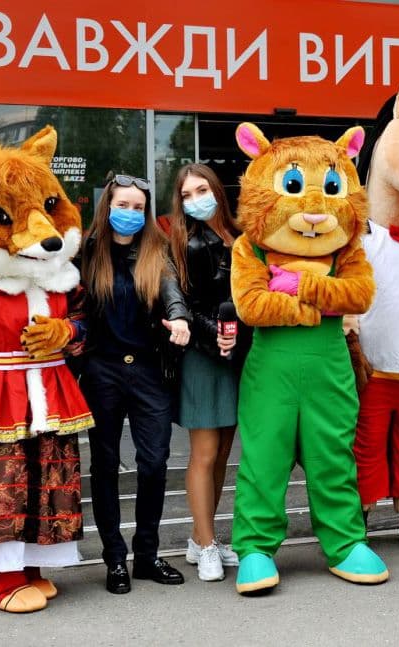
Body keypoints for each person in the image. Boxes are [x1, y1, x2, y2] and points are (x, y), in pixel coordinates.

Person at [80, 173, 193, 594]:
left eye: (137, 207)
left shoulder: (155, 250)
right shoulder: (87, 253)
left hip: (148, 372)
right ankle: (114, 558)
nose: (129, 213)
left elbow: (171, 291)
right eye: (122, 205)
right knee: (105, 466)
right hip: (102, 371)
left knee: (154, 463)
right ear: (107, 206)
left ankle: (146, 554)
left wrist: (179, 318)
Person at [164, 164, 245, 581]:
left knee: (224, 455)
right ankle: (207, 543)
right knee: (205, 453)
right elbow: (184, 304)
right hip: (203, 354)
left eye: (202, 190)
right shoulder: (186, 243)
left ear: (217, 190)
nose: (196, 199)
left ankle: (202, 539)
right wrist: (215, 334)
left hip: (237, 355)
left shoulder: (240, 235)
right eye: (187, 194)